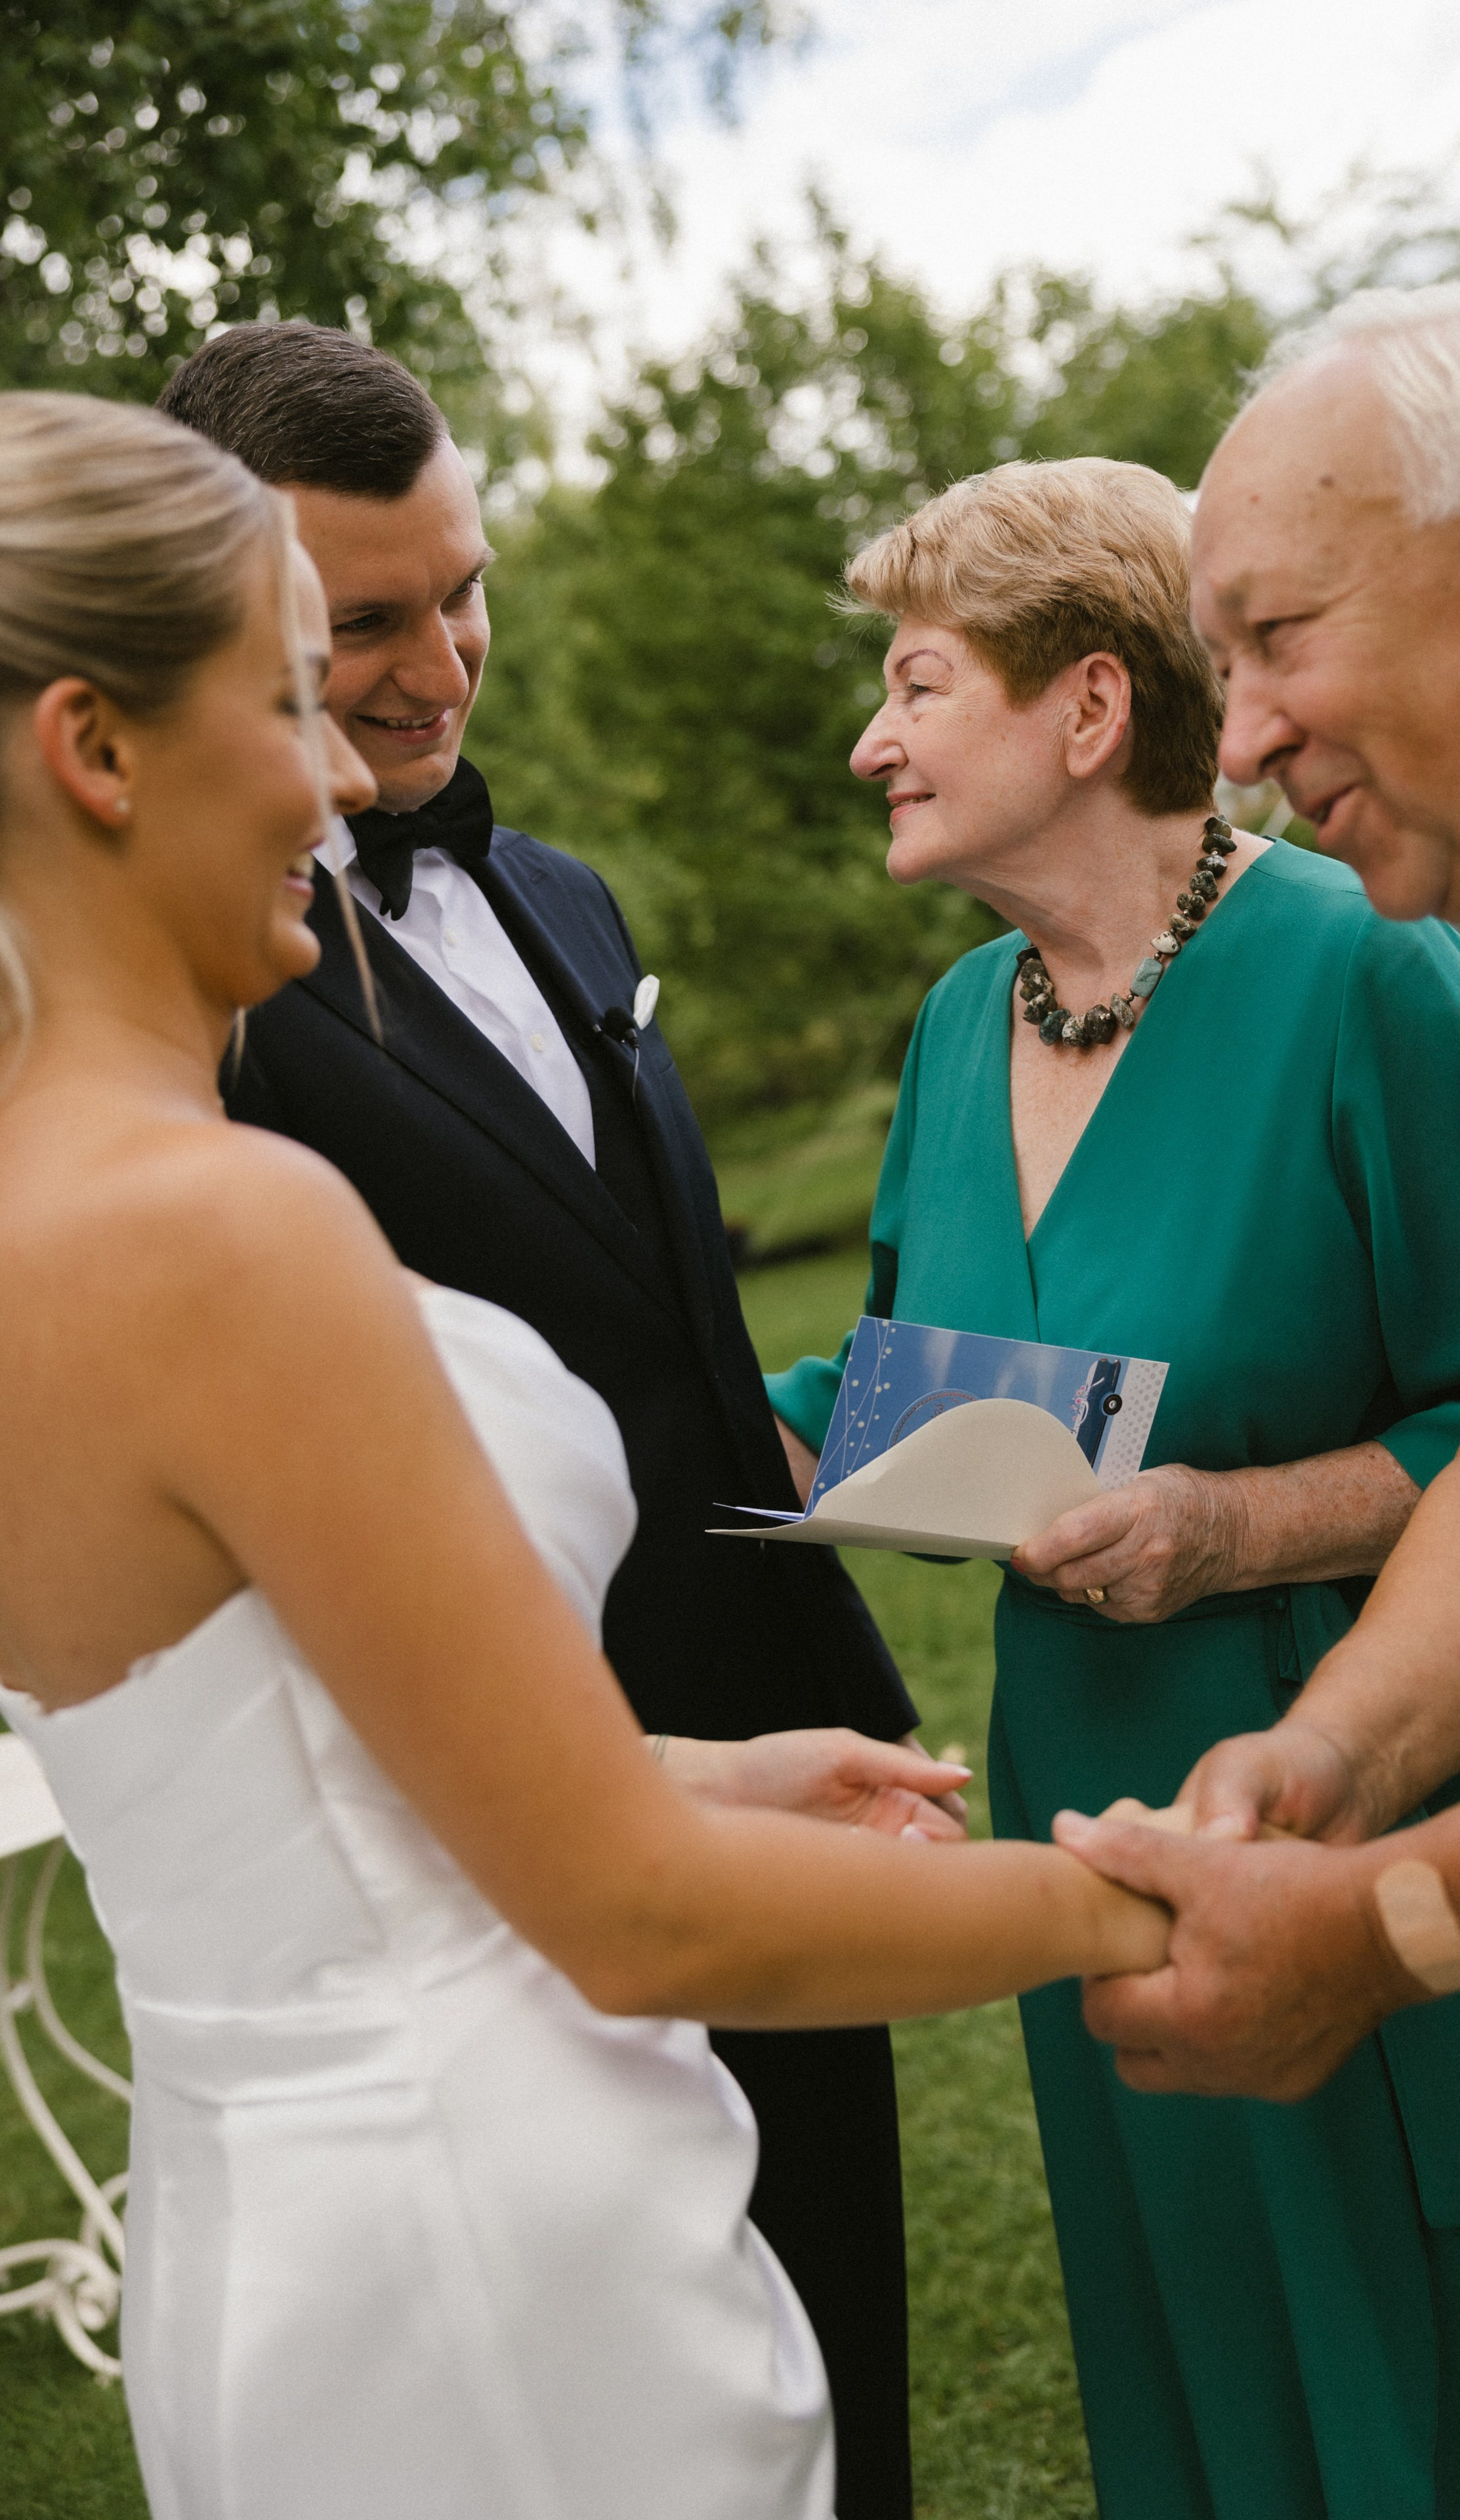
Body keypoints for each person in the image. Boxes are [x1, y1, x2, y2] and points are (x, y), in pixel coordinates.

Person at [0, 390, 1159, 2520]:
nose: (360, 754)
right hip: (493, 2206)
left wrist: (710, 1760)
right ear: (96, 748)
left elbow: (274, 1763)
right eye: (299, 682)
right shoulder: (215, 1216)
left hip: (272, 2206)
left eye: (468, 606)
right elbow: (621, 1919)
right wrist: (1151, 1913)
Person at [768, 453, 1460, 2519]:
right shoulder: (949, 1024)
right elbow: (905, 1368)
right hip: (1092, 1808)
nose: (869, 740)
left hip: (1383, 1775)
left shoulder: (1372, 965)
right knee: (1214, 2377)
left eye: (916, 685)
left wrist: (1235, 1526)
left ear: (1089, 711)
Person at [154, 322, 928, 2517]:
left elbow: (664, 1331)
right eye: (368, 621)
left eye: (462, 591)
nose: (438, 668)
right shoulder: (203, 987)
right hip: (494, 1827)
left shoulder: (567, 894)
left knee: (836, 2377)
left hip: (788, 1742)